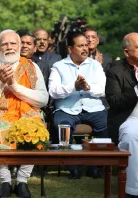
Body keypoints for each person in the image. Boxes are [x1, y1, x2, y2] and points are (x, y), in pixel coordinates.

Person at [0, 29, 48, 198]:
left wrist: (14, 87)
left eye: (13, 43)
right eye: (4, 44)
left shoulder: (32, 67)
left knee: (37, 126)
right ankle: (5, 180)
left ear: (20, 45)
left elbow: (43, 99)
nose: (9, 47)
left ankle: (22, 180)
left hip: (27, 112)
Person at [105, 33, 138, 197]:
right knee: (133, 136)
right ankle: (132, 189)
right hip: (129, 118)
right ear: (127, 52)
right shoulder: (114, 71)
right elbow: (115, 102)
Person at [49, 32, 107, 179]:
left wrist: (88, 88)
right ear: (70, 49)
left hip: (93, 107)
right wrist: (73, 86)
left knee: (105, 125)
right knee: (62, 127)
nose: (85, 49)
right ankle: (72, 166)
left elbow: (102, 90)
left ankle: (96, 166)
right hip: (67, 109)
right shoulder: (58, 66)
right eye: (81, 45)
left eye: (86, 45)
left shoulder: (95, 66)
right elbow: (53, 92)